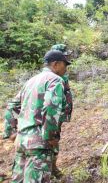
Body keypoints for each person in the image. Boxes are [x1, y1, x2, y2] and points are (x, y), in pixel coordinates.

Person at [3, 50, 70, 182]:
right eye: (65, 65)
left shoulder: (31, 81)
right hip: (39, 144)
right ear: (56, 64)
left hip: (22, 141)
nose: (66, 69)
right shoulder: (55, 80)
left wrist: (11, 132)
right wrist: (50, 137)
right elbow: (51, 107)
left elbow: (12, 106)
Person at [50, 44, 73, 177]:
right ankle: (50, 168)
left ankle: (53, 167)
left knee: (55, 139)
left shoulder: (61, 72)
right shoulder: (52, 77)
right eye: (64, 54)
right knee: (52, 140)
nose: (67, 56)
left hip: (59, 115)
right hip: (52, 116)